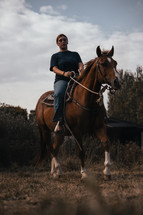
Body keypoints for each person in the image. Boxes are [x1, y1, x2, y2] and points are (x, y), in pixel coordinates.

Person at [50, 34, 84, 133]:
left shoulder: (75, 54)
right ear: (57, 43)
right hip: (62, 79)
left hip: (76, 79)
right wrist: (64, 73)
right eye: (60, 40)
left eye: (64, 40)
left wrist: (81, 71)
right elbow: (54, 68)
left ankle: (103, 117)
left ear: (67, 41)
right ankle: (60, 121)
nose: (63, 41)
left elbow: (80, 65)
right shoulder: (55, 56)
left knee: (91, 89)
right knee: (59, 93)